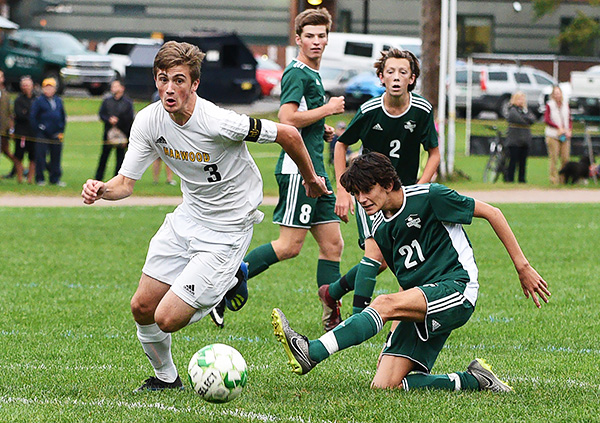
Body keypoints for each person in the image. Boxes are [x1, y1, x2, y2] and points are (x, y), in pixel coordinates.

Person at [81, 40, 329, 392]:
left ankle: (227, 281)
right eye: (163, 78)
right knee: (142, 307)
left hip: (228, 228)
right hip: (188, 217)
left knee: (166, 318)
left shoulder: (218, 120)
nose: (170, 88)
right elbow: (124, 183)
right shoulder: (149, 122)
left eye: (179, 80)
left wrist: (310, 179)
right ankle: (167, 379)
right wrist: (101, 189)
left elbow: (287, 133)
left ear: (194, 84)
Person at [272, 152, 550, 393]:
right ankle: (473, 380)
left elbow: (493, 213)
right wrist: (392, 326)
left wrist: (522, 267)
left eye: (367, 190)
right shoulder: (380, 226)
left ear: (389, 184)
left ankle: (312, 352)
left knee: (382, 302)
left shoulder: (430, 196)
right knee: (384, 386)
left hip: (457, 287)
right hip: (422, 301)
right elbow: (396, 278)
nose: (362, 199)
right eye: (356, 193)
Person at [229, 8, 345, 330]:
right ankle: (230, 277)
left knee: (333, 244)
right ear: (298, 39)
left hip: (316, 168)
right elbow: (286, 119)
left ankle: (331, 314)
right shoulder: (297, 73)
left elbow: (302, 119)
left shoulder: (313, 73)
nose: (317, 42)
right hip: (299, 171)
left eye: (321, 36)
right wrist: (329, 108)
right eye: (310, 36)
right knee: (289, 246)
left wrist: (321, 127)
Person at [320, 48, 440, 330]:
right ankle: (358, 320)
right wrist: (341, 189)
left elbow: (434, 153)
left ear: (412, 78)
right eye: (390, 72)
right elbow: (340, 144)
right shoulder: (369, 110)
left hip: (402, 195)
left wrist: (419, 189)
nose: (396, 77)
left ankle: (331, 293)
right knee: (374, 254)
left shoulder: (422, 110)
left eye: (402, 72)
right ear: (380, 77)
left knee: (385, 260)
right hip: (369, 193)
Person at [95, 79, 134, 181]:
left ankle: (117, 180)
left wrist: (119, 121)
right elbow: (101, 114)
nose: (113, 88)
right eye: (113, 86)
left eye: (116, 86)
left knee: (120, 159)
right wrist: (109, 119)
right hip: (108, 134)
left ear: (122, 88)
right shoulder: (107, 101)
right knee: (104, 157)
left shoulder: (127, 103)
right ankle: (98, 178)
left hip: (122, 134)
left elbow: (130, 118)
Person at [30, 77, 67, 186]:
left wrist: (61, 128)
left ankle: (55, 178)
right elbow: (33, 117)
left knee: (56, 157)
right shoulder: (39, 101)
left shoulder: (58, 100)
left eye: (51, 87)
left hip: (56, 133)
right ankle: (40, 178)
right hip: (43, 134)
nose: (49, 90)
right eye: (47, 87)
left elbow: (63, 116)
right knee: (41, 157)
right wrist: (40, 128)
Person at [505, 91, 535, 183]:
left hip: (525, 140)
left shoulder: (526, 110)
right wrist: (526, 120)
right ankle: (510, 179)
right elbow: (517, 119)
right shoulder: (512, 110)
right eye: (519, 99)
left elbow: (533, 119)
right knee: (513, 161)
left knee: (523, 162)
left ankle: (521, 179)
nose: (521, 101)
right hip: (514, 140)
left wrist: (526, 119)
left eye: (522, 99)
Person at [544, 85, 572, 185]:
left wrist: (569, 130)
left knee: (565, 158)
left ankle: (563, 179)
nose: (557, 95)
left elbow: (569, 119)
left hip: (564, 135)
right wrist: (557, 127)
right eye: (555, 93)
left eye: (558, 93)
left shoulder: (566, 104)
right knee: (554, 158)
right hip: (553, 135)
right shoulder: (549, 105)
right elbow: (547, 119)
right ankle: (553, 180)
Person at [12, 75, 36, 184]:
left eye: (28, 85)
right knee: (18, 155)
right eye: (24, 85)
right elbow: (19, 114)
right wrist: (28, 114)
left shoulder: (36, 99)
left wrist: (28, 113)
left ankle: (30, 179)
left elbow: (35, 114)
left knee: (33, 156)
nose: (26, 87)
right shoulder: (18, 100)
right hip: (21, 132)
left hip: (33, 132)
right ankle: (20, 178)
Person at [0, 69, 22, 179]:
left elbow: (10, 113)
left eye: (1, 76)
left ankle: (19, 169)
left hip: (3, 130)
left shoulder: (6, 95)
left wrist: (11, 129)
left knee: (6, 151)